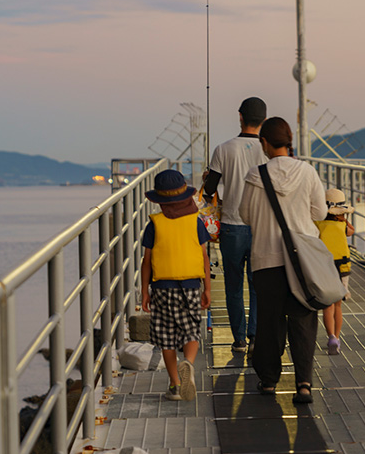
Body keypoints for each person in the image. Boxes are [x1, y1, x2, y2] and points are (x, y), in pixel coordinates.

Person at [238, 117, 327, 404]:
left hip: (266, 260)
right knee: (303, 320)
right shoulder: (308, 172)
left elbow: (245, 215)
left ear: (264, 143)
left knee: (268, 320)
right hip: (302, 262)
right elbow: (320, 213)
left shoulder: (255, 175)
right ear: (289, 141)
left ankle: (268, 380)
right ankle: (303, 384)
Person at [203, 97, 268, 353]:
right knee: (257, 285)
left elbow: (209, 189)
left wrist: (207, 178)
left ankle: (238, 339)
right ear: (263, 120)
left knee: (233, 286)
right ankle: (254, 337)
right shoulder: (267, 149)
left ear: (240, 116)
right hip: (260, 226)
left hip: (231, 225)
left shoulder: (223, 149)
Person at [140, 169, 213, 401]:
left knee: (166, 337)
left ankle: (175, 384)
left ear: (160, 201)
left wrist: (144, 292)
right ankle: (189, 364)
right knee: (191, 329)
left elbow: (147, 261)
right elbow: (204, 257)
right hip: (191, 284)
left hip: (162, 287)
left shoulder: (155, 224)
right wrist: (207, 288)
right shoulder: (196, 221)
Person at [315, 188, 355, 355]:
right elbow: (351, 231)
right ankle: (337, 339)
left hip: (324, 266)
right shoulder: (342, 224)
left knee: (327, 305)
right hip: (342, 267)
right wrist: (345, 218)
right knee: (338, 305)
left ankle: (330, 335)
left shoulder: (318, 224)